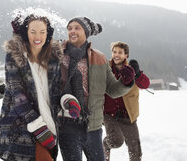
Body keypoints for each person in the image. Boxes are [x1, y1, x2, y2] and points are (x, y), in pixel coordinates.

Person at [58, 17, 135, 161]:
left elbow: (112, 89)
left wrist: (126, 81)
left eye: (77, 28)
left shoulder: (100, 58)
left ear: (86, 32)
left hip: (93, 127)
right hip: (67, 125)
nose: (72, 31)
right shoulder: (58, 55)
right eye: (69, 28)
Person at [0, 14, 63, 161]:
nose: (37, 36)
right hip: (20, 125)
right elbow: (17, 94)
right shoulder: (14, 55)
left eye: (42, 32)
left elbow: (55, 92)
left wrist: (66, 100)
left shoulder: (53, 59)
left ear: (48, 33)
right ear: (26, 33)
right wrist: (38, 127)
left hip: (49, 124)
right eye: (33, 31)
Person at [103, 41, 150, 161]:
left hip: (128, 114)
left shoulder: (132, 70)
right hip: (109, 114)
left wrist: (138, 73)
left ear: (126, 55)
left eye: (120, 52)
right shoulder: (105, 68)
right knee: (115, 141)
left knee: (135, 150)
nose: (116, 55)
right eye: (114, 52)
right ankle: (105, 144)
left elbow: (145, 85)